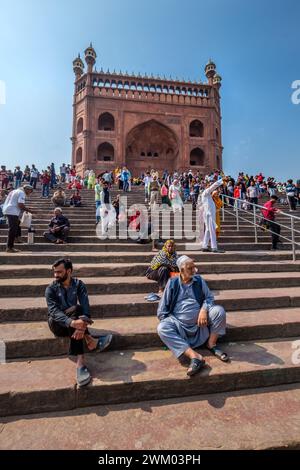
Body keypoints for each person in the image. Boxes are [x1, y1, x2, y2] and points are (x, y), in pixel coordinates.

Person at [45, 258, 113, 387]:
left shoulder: (79, 284)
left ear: (69, 271)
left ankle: (83, 355)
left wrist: (80, 328)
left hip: (75, 321)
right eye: (54, 272)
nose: (56, 275)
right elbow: (53, 312)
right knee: (76, 311)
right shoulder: (51, 289)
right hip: (57, 324)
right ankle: (88, 346)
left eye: (59, 272)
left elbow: (86, 308)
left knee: (78, 309)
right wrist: (72, 323)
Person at [157, 255, 228, 377]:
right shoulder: (172, 283)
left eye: (194, 267)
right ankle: (194, 356)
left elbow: (209, 298)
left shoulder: (199, 280)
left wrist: (203, 310)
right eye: (190, 268)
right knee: (162, 328)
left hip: (201, 325)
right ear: (182, 270)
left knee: (219, 311)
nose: (195, 270)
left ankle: (211, 344)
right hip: (179, 325)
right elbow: (162, 310)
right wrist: (170, 324)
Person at [2, 184, 34, 252]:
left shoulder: (14, 191)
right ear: (27, 189)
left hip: (7, 209)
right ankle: (9, 247)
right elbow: (20, 205)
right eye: (30, 191)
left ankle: (17, 238)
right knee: (12, 229)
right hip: (12, 211)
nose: (30, 193)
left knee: (18, 223)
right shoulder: (22, 193)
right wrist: (29, 210)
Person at [199, 178, 225, 253]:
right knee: (212, 229)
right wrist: (221, 180)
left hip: (208, 214)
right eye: (209, 186)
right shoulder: (206, 192)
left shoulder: (207, 196)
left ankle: (204, 246)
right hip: (209, 214)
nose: (211, 188)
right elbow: (214, 186)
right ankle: (214, 247)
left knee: (208, 230)